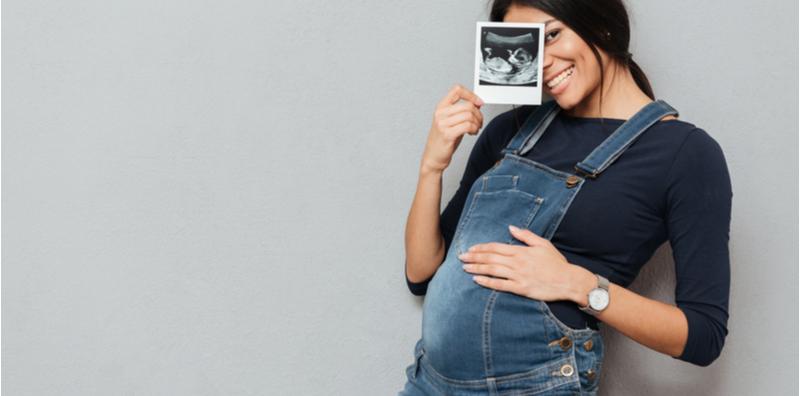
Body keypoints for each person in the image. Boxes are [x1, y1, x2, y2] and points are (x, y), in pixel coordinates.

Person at [399, 0, 732, 395]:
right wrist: (431, 167)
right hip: (429, 383)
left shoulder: (684, 153)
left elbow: (702, 336)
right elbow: (420, 273)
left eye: (552, 34)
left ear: (602, 25)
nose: (542, 63)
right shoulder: (510, 130)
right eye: (529, 47)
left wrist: (578, 285)